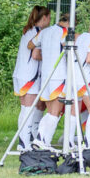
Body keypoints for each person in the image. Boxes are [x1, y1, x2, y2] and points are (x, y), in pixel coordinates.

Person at [13, 6, 50, 151]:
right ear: (45, 18)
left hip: (21, 74)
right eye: (49, 17)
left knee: (25, 109)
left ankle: (26, 139)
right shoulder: (37, 33)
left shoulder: (28, 31)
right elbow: (35, 55)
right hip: (30, 76)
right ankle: (24, 143)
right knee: (28, 110)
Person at [32, 13, 70, 149]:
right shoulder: (64, 32)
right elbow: (70, 50)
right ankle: (40, 139)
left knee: (51, 111)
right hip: (59, 75)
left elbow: (32, 47)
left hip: (46, 75)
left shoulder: (44, 32)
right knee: (56, 111)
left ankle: (44, 141)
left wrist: (48, 53)